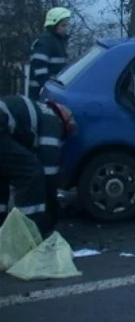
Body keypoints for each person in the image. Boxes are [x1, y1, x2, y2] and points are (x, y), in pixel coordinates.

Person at [0, 96, 77, 236]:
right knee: (32, 172)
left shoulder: (38, 111)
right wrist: (52, 210)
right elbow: (48, 171)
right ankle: (27, 232)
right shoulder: (52, 120)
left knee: (4, 172)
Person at [29, 7, 71, 99]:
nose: (66, 28)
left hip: (51, 91)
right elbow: (39, 68)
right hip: (40, 94)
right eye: (63, 25)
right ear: (54, 25)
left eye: (66, 25)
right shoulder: (45, 41)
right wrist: (48, 88)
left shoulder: (57, 41)